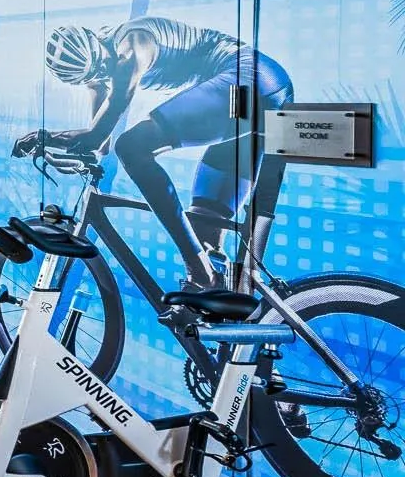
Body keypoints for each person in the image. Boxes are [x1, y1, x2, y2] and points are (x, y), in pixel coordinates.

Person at [20, 18, 293, 287]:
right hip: (258, 88)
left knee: (132, 147)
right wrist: (69, 152)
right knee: (205, 226)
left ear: (97, 43)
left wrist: (47, 138)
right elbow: (100, 144)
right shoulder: (98, 75)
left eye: (103, 63)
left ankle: (197, 267)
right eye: (97, 74)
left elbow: (96, 135)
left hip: (247, 80)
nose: (107, 70)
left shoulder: (132, 45)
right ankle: (213, 286)